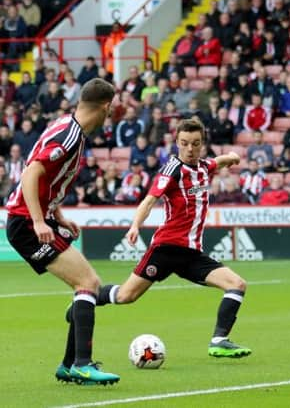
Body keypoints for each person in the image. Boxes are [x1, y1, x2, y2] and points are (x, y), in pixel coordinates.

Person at [94, 119, 252, 358]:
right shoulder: (171, 171)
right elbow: (149, 201)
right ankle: (86, 299)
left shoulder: (203, 167)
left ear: (202, 144)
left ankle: (219, 341)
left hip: (190, 254)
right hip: (166, 249)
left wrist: (232, 156)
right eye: (185, 143)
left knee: (237, 284)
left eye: (196, 144)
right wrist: (136, 225)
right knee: (126, 296)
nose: (190, 149)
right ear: (177, 143)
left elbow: (217, 162)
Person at [5, 78, 120, 385]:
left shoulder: (67, 126)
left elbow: (48, 180)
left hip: (35, 217)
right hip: (27, 222)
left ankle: (70, 365)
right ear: (106, 106)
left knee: (88, 284)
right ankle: (81, 364)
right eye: (111, 109)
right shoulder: (70, 136)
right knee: (88, 282)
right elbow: (31, 173)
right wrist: (40, 221)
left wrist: (58, 216)